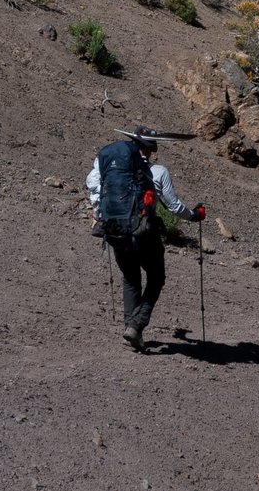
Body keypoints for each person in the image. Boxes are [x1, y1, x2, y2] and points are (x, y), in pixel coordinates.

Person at [86, 126, 203, 350]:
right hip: (144, 232)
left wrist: (100, 215)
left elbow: (93, 187)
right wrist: (194, 216)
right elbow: (174, 206)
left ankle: (132, 329)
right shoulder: (158, 171)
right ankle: (136, 326)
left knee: (131, 279)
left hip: (115, 229)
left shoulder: (109, 166)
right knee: (156, 278)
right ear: (149, 149)